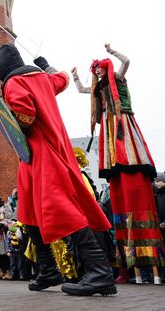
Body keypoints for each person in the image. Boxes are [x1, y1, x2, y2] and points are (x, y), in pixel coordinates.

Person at [0, 43, 115, 296]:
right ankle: (48, 269)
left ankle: (100, 272)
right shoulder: (43, 78)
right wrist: (44, 63)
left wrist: (10, 115)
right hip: (38, 156)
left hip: (42, 153)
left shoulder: (14, 83)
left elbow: (26, 116)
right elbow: (63, 79)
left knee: (61, 207)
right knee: (27, 211)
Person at [72, 44, 165, 279]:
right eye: (96, 70)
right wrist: (74, 77)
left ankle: (149, 267)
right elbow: (84, 90)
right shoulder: (99, 87)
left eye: (99, 69)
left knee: (129, 162)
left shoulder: (118, 78)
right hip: (108, 133)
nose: (98, 73)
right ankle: (125, 266)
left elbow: (127, 62)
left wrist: (113, 52)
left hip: (121, 125)